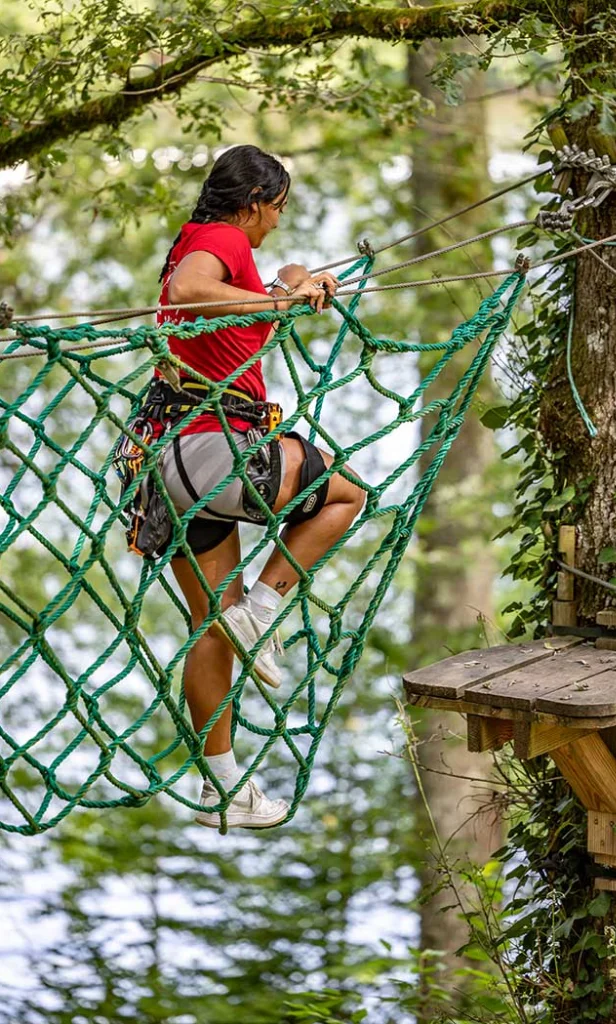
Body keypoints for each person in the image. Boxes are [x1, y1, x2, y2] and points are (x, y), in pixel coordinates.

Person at [155, 145, 366, 829]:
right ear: (253, 203)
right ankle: (267, 611)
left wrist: (296, 280)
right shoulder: (216, 243)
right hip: (217, 451)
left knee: (208, 625)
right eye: (276, 209)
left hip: (166, 462)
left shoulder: (204, 239)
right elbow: (191, 289)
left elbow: (258, 281)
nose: (277, 222)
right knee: (347, 495)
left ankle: (226, 790)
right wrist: (277, 295)